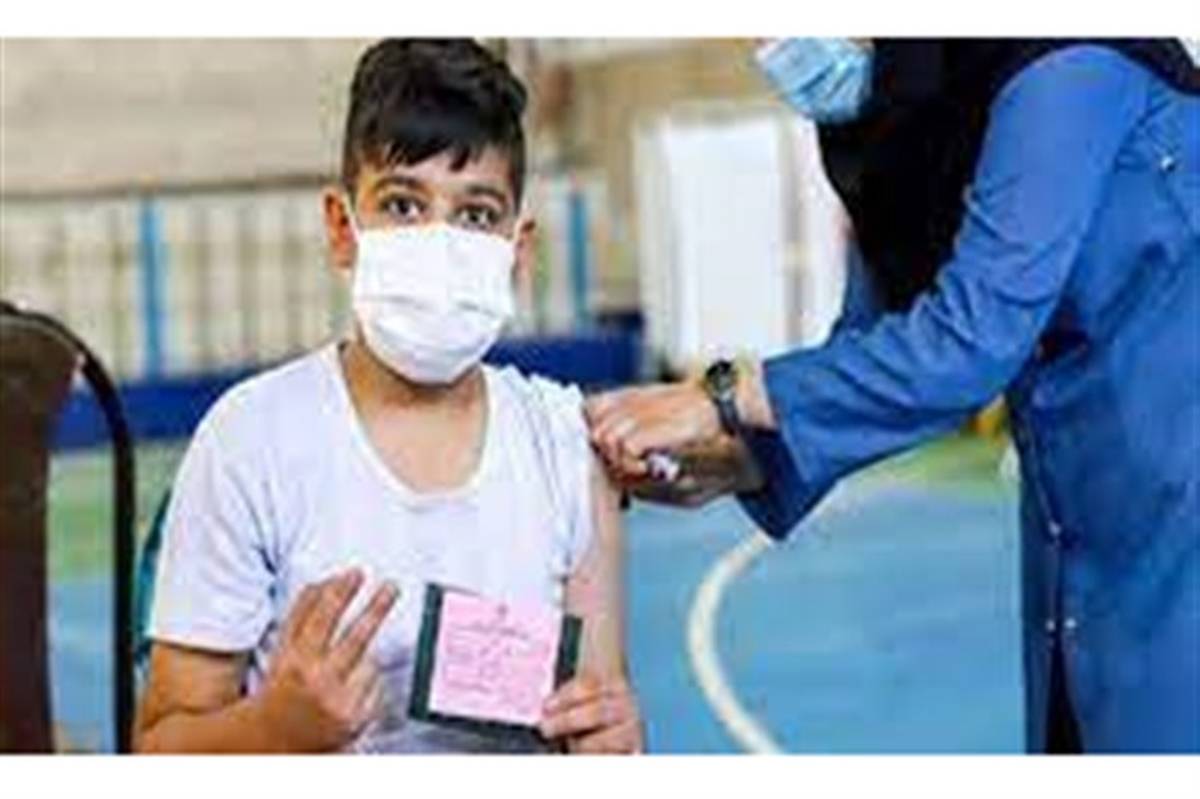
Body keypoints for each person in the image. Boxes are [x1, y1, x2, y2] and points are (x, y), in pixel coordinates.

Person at [587, 39, 1199, 753]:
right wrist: (742, 461)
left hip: (1173, 495)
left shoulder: (1066, 63)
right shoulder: (919, 126)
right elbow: (876, 332)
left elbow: (969, 339)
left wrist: (722, 395)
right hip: (1081, 522)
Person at [135, 38, 642, 754]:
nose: (439, 244)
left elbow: (598, 711)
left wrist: (616, 740)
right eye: (403, 205)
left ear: (517, 251)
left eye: (476, 214)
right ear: (342, 229)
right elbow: (158, 749)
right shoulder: (251, 439)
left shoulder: (563, 443)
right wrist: (278, 726)